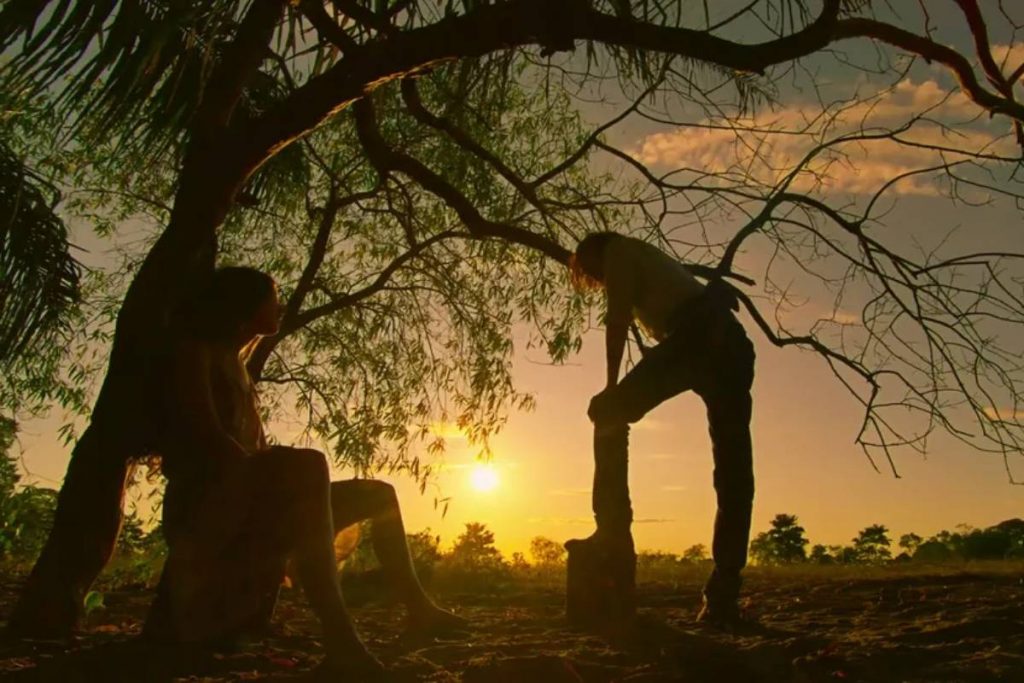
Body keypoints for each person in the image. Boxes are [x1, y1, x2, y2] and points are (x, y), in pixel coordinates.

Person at [147, 266, 464, 678]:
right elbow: (205, 435)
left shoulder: (239, 365)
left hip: (252, 497)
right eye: (272, 296)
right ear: (245, 304)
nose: (279, 303)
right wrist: (272, 472)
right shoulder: (196, 352)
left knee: (377, 494)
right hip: (210, 505)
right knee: (307, 463)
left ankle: (419, 608)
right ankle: (340, 640)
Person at [569, 232, 756, 628]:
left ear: (594, 253)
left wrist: (610, 386)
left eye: (589, 269)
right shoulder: (646, 258)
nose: (595, 277)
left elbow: (617, 317)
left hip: (700, 336)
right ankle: (724, 592)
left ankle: (612, 528)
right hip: (729, 344)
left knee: (607, 412)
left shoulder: (617, 251)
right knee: (733, 471)